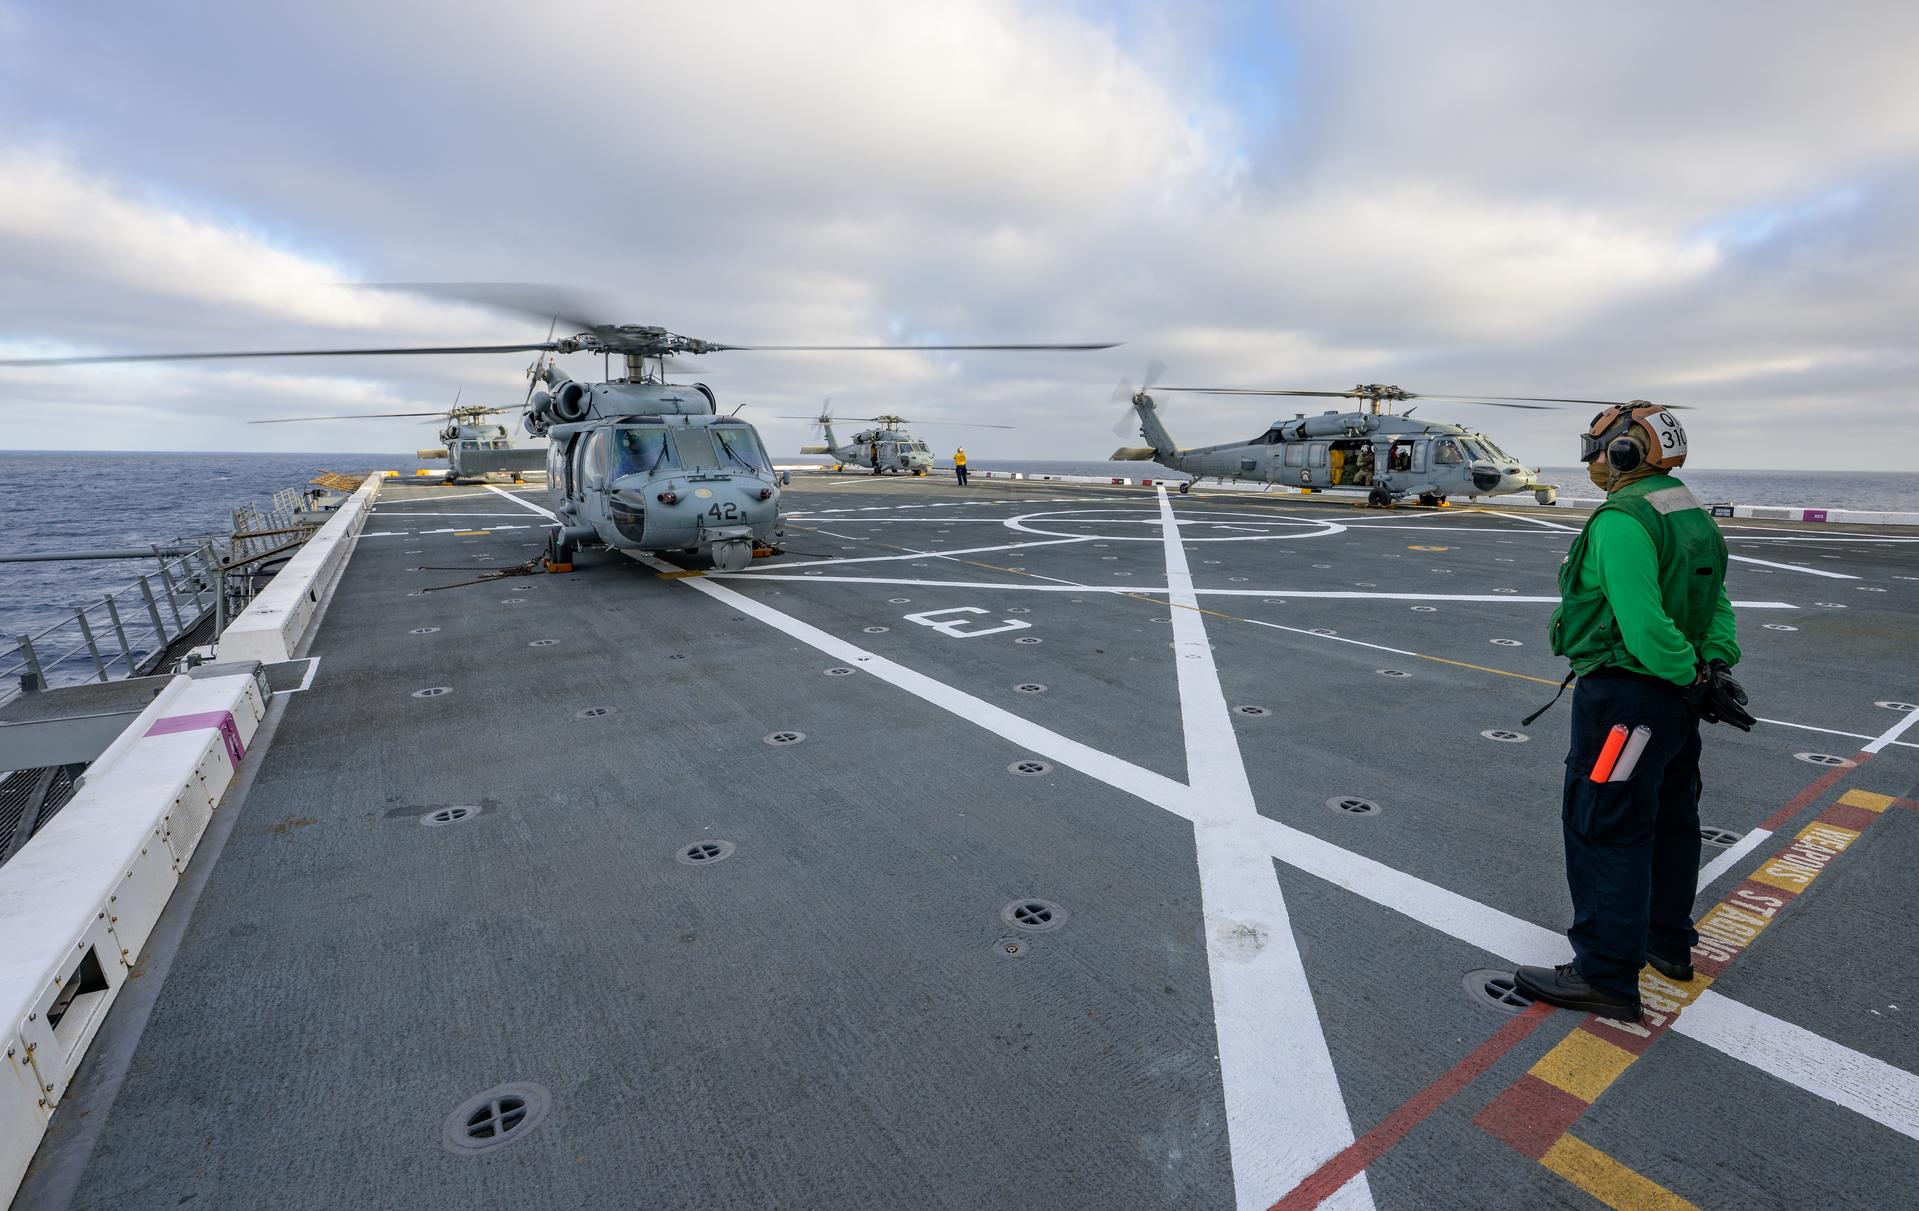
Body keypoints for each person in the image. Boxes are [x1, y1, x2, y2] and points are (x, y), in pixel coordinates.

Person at [1514, 403, 1754, 1021]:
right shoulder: (1690, 511)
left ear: (1625, 453)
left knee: (1606, 826)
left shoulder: (1623, 520)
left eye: (1599, 449)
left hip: (1625, 700)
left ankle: (1604, 975)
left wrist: (1684, 672)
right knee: (1672, 821)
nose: (1592, 460)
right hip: (1675, 704)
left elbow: (1643, 624)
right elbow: (1715, 601)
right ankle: (1667, 943)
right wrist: (1709, 669)